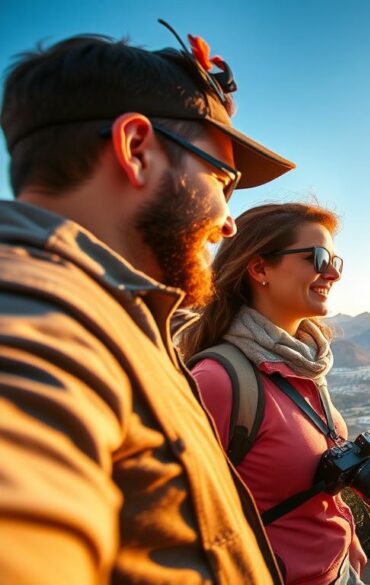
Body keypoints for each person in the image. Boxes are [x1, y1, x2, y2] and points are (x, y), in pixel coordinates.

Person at [0, 26, 294, 583]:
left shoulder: (121, 314)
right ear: (136, 150)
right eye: (222, 180)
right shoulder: (46, 311)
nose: (229, 221)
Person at [180, 203, 366, 585]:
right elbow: (181, 521)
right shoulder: (218, 381)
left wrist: (346, 533)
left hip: (340, 571)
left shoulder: (305, 364)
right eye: (317, 258)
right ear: (259, 268)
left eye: (335, 260)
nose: (332, 273)